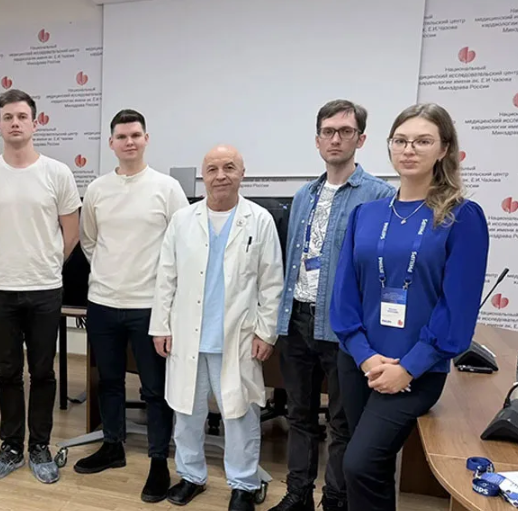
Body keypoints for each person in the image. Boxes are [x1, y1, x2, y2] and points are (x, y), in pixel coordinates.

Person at [331, 103, 489, 511]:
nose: (409, 149)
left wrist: (408, 368)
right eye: (400, 140)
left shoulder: (461, 217)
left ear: (444, 149)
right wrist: (365, 356)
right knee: (372, 466)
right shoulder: (366, 214)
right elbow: (344, 295)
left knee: (360, 463)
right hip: (360, 362)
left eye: (422, 141)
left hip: (416, 370)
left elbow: (457, 309)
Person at [269, 101, 395, 511]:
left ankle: (336, 500)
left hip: (345, 329)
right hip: (298, 320)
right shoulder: (304, 195)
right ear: (317, 140)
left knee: (342, 422)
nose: (335, 139)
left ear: (361, 139)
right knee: (299, 415)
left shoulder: (380, 196)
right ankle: (298, 493)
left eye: (345, 131)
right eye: (328, 131)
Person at [150, 145, 283, 511]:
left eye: (229, 167)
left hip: (238, 338)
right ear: (203, 176)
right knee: (187, 414)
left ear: (242, 173)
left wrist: (266, 332)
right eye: (212, 169)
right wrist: (161, 326)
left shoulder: (259, 220)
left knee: (240, 415)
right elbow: (166, 277)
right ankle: (191, 476)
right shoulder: (183, 220)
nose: (221, 175)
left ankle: (243, 484)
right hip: (187, 336)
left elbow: (272, 282)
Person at [0, 89, 81, 484]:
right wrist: (3, 263)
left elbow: (71, 233)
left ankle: (40, 446)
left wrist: (45, 264)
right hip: (0, 287)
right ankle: (12, 445)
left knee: (43, 371)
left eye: (22, 117)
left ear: (35, 122)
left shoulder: (57, 173)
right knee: (8, 371)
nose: (15, 123)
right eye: (8, 117)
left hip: (45, 287)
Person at [75, 109, 188, 503]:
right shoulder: (97, 189)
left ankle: (158, 461)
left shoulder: (167, 188)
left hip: (149, 306)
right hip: (103, 302)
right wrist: (111, 273)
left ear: (146, 139)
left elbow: (180, 244)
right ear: (111, 143)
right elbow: (89, 241)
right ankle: (113, 445)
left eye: (135, 135)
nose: (129, 142)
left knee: (154, 388)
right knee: (108, 381)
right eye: (121, 136)